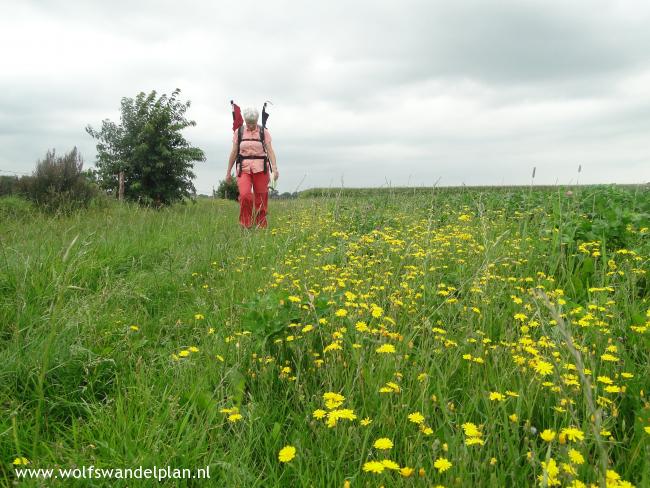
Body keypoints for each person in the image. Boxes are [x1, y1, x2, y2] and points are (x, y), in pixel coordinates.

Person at [226, 107, 279, 229]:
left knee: (261, 199)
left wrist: (275, 168)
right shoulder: (239, 132)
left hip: (261, 169)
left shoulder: (263, 132)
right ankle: (246, 225)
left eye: (253, 123)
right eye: (248, 123)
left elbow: (270, 150)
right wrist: (228, 172)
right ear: (245, 120)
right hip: (244, 169)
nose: (250, 126)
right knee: (245, 195)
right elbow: (234, 152)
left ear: (257, 121)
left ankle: (261, 226)